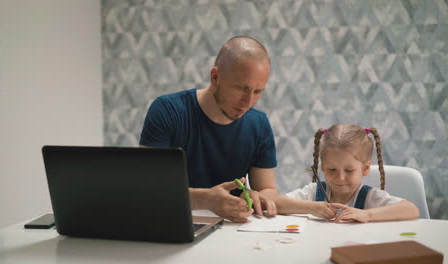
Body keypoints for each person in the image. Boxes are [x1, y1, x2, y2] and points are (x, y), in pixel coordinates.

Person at [139, 36, 278, 223]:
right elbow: (147, 188)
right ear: (215, 77)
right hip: (172, 224)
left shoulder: (259, 124)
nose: (248, 102)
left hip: (232, 230)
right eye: (241, 88)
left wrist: (256, 195)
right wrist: (205, 199)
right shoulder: (168, 111)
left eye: (257, 91)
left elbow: (267, 189)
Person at [274, 124, 420, 222]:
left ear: (365, 169)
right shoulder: (314, 192)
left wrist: (367, 214)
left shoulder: (370, 197)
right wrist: (311, 208)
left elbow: (411, 210)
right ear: (323, 167)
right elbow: (276, 203)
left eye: (349, 170)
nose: (340, 177)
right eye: (332, 169)